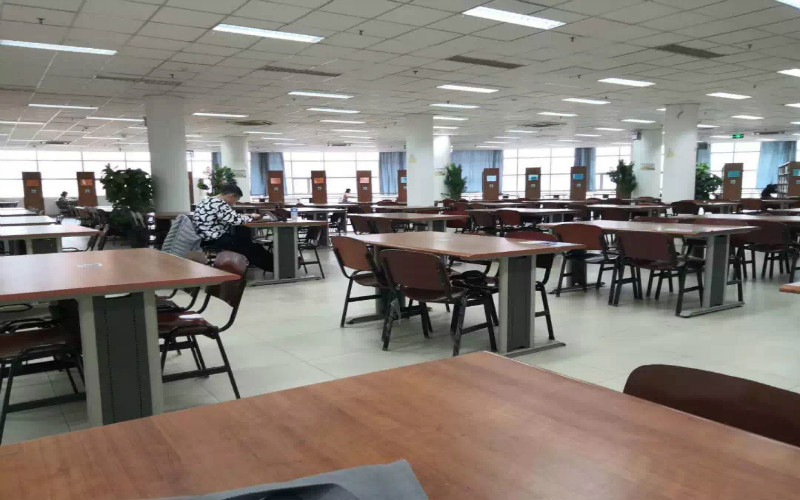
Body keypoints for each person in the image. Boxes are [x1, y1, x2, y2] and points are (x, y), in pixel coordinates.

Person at [193, 184, 273, 272]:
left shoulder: (207, 200)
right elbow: (235, 220)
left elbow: (231, 216)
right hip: (214, 239)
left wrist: (247, 216)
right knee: (251, 247)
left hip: (204, 238)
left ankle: (265, 263)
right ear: (231, 196)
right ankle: (275, 267)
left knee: (244, 236)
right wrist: (252, 217)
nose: (235, 203)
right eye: (236, 200)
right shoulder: (219, 203)